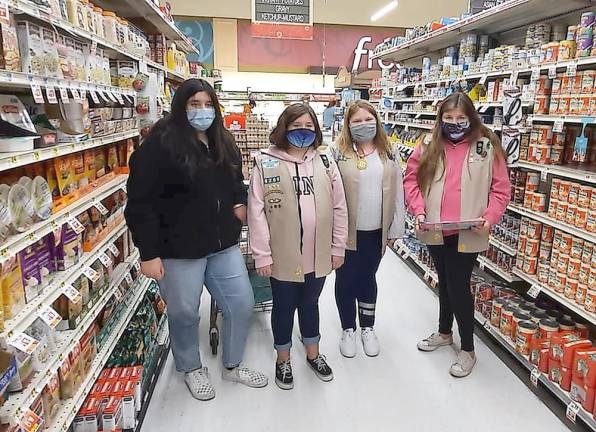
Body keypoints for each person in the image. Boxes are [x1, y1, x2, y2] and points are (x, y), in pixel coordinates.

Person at [124, 79, 268, 401]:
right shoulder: (160, 144)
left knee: (241, 303)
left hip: (223, 244)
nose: (202, 111)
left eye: (207, 104)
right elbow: (140, 202)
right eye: (194, 104)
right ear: (181, 107)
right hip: (178, 249)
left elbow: (234, 180)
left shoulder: (223, 140)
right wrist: (148, 253)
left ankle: (232, 365)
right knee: (184, 313)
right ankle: (191, 367)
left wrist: (238, 201)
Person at [403, 92, 510, 377]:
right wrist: (418, 210)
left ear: (471, 118)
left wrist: (489, 218)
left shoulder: (486, 147)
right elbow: (411, 179)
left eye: (461, 118)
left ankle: (468, 349)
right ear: (440, 119)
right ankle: (444, 332)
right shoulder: (428, 144)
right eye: (448, 118)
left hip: (469, 230)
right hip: (434, 228)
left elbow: (501, 189)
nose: (454, 123)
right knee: (445, 281)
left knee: (458, 285)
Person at [248, 103, 348, 390]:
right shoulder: (265, 162)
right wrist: (262, 254)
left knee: (310, 304)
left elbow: (339, 207)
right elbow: (257, 212)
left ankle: (313, 354)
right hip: (282, 255)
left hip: (318, 254)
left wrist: (338, 247)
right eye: (296, 127)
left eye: (308, 127)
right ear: (283, 129)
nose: (303, 132)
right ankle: (282, 359)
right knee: (283, 306)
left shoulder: (325, 161)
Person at [330, 100, 406, 358]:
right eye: (357, 121)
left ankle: (367, 327)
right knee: (345, 278)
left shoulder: (389, 151)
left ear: (377, 121)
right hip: (345, 231)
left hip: (376, 231)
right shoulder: (337, 152)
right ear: (348, 125)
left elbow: (398, 193)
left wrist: (396, 228)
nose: (363, 125)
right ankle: (348, 328)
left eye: (368, 119)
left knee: (368, 277)